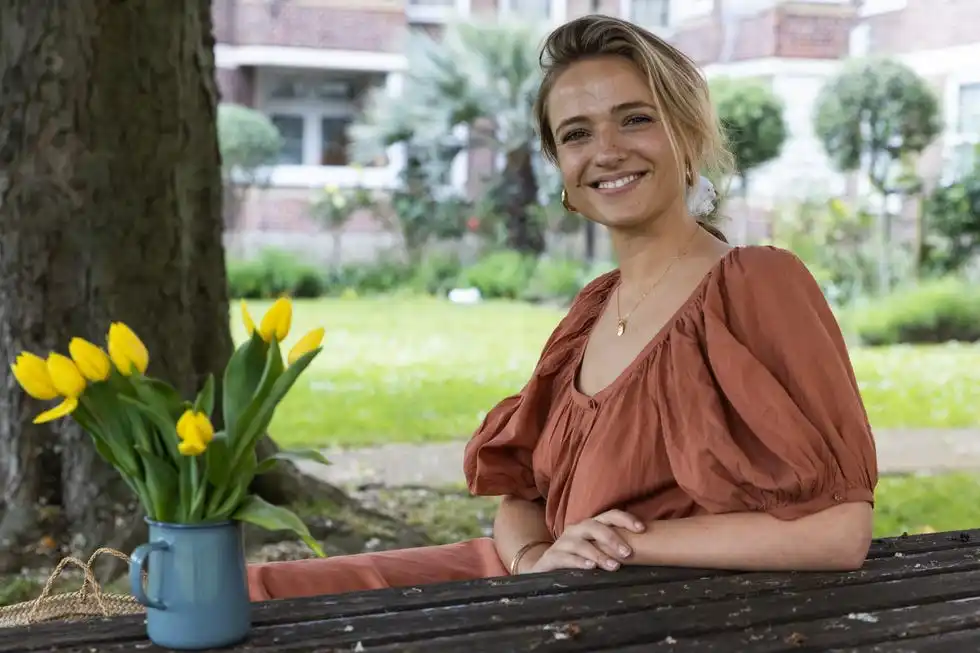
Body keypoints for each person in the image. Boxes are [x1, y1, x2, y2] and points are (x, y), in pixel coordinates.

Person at [246, 15, 877, 601]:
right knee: (258, 593)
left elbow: (838, 531)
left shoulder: (757, 284)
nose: (606, 150)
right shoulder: (592, 312)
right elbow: (522, 496)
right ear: (563, 169)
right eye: (576, 134)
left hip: (638, 604)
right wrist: (533, 564)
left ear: (688, 134)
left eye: (635, 119)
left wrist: (619, 547)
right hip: (540, 582)